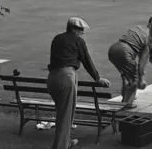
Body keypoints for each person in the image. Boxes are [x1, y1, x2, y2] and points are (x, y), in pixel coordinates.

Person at [47, 18, 110, 149]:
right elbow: (86, 60)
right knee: (65, 115)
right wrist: (97, 78)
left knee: (62, 112)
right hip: (66, 77)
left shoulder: (57, 38)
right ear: (74, 29)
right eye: (81, 30)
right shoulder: (78, 40)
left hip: (52, 78)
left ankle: (66, 141)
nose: (83, 33)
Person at [108, 26, 150, 108]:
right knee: (135, 80)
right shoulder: (150, 38)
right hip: (125, 52)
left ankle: (124, 97)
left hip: (114, 49)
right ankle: (127, 104)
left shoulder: (139, 28)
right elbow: (142, 62)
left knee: (125, 76)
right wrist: (141, 79)